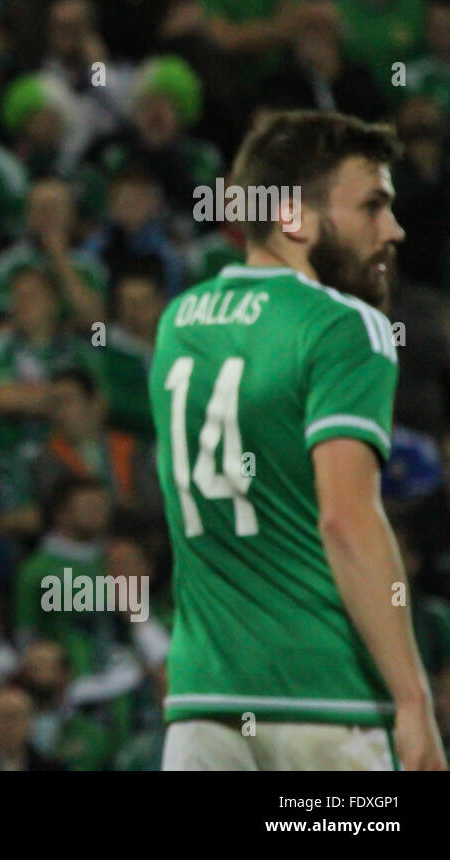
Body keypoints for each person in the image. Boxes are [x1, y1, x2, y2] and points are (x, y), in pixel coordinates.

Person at [149, 110, 446, 770]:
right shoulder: (345, 327)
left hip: (201, 705)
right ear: (293, 217)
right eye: (372, 205)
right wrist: (412, 697)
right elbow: (346, 520)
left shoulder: (178, 323)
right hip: (325, 706)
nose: (393, 229)